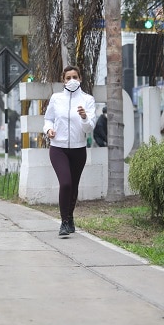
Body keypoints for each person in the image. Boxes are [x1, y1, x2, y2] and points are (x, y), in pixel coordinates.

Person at [43, 65, 96, 237]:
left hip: (78, 149)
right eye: (68, 78)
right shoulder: (56, 98)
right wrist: (48, 130)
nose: (72, 80)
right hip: (58, 148)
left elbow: (89, 128)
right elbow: (48, 119)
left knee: (73, 186)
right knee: (65, 183)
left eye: (75, 77)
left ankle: (70, 217)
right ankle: (64, 222)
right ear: (63, 80)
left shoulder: (87, 100)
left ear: (80, 79)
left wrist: (84, 117)